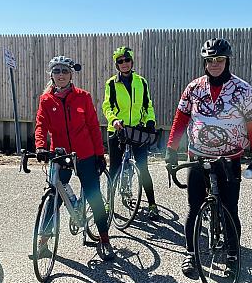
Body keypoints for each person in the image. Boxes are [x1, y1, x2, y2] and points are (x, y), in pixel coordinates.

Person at [165, 38, 252, 278]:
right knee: (193, 209)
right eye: (210, 60)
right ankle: (191, 254)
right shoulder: (194, 88)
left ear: (227, 60)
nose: (215, 64)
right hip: (198, 156)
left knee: (231, 208)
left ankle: (233, 255)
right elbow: (181, 119)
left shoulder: (243, 89)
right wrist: (172, 149)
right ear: (204, 62)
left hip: (229, 157)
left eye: (219, 59)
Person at [34, 55, 115, 261]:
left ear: (71, 74)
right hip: (60, 155)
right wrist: (41, 146)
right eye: (56, 71)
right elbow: (41, 125)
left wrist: (99, 154)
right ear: (51, 75)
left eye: (64, 71)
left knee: (94, 195)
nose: (60, 75)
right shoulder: (46, 100)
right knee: (54, 195)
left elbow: (93, 127)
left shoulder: (83, 97)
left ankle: (104, 239)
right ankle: (43, 244)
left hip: (85, 154)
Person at [102, 46, 160, 220]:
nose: (124, 64)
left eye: (127, 60)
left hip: (136, 130)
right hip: (117, 130)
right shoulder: (111, 83)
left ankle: (152, 204)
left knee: (143, 168)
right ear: (117, 65)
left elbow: (147, 105)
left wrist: (150, 121)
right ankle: (108, 204)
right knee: (114, 168)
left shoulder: (141, 81)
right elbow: (107, 106)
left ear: (132, 62)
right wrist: (113, 120)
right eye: (120, 61)